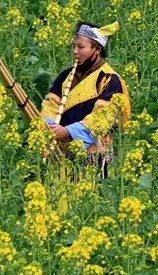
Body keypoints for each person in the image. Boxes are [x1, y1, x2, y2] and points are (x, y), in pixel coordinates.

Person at [39, 21, 131, 175]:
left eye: (81, 47)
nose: (75, 51)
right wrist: (49, 125)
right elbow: (51, 105)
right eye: (73, 46)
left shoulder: (109, 79)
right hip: (60, 153)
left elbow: (103, 117)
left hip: (93, 155)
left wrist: (69, 131)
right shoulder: (65, 76)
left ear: (97, 49)